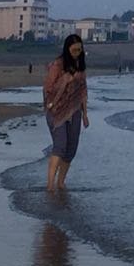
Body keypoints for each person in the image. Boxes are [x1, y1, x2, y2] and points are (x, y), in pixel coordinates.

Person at [42, 34, 89, 192]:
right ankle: (50, 185)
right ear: (67, 48)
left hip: (74, 111)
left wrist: (85, 114)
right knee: (60, 146)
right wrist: (65, 80)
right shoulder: (57, 65)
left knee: (71, 149)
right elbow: (48, 88)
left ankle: (61, 182)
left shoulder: (80, 66)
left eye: (79, 50)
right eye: (74, 49)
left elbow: (83, 91)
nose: (76, 52)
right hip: (56, 111)